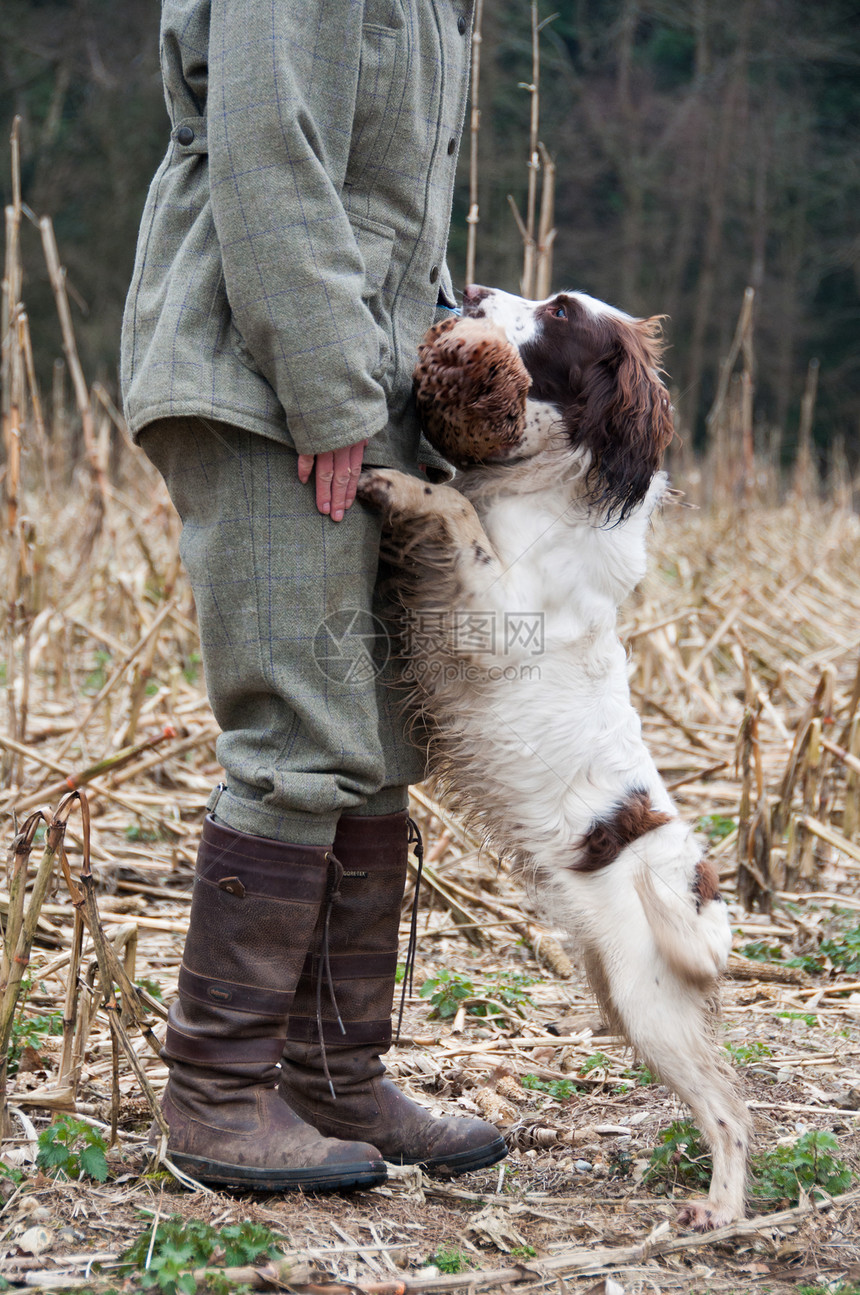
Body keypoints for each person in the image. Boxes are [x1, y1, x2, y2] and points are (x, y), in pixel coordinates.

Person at [121, 0, 507, 1191]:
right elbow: (264, 149)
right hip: (265, 375)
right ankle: (219, 1096)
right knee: (299, 728)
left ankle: (333, 1073)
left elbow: (395, 193)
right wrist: (328, 384)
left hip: (353, 374)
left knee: (373, 732)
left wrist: (438, 328)